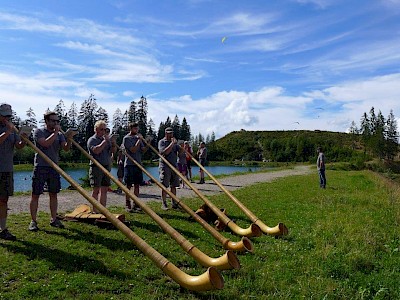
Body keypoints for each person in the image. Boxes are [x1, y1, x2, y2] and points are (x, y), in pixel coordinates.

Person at [29, 111, 73, 231]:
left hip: (54, 167)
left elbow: (66, 148)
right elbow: (45, 143)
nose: (56, 123)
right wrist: (56, 133)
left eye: (57, 121)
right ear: (46, 121)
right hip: (41, 166)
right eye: (53, 120)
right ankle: (33, 221)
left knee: (53, 194)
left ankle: (54, 219)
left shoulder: (59, 134)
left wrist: (69, 139)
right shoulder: (39, 131)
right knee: (35, 195)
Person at [0, 103, 26, 240]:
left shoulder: (12, 129)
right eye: (4, 116)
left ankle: (3, 229)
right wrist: (8, 131)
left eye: (9, 116)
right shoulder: (9, 130)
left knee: (4, 200)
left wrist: (24, 139)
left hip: (6, 169)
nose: (6, 118)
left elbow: (19, 146)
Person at [87, 120, 116, 213]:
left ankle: (103, 209)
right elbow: (96, 151)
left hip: (106, 166)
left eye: (105, 129)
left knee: (104, 189)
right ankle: (95, 210)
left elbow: (112, 152)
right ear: (96, 130)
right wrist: (105, 141)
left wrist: (113, 144)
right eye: (101, 129)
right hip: (96, 167)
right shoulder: (92, 140)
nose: (104, 131)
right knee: (96, 190)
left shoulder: (106, 140)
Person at [122, 122, 148, 212]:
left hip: (138, 163)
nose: (136, 130)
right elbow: (133, 150)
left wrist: (147, 143)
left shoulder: (138, 138)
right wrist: (139, 141)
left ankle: (136, 203)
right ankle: (127, 203)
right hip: (129, 164)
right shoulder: (126, 138)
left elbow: (143, 150)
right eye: (135, 129)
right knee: (128, 185)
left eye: (137, 129)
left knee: (137, 185)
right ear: (131, 129)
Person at [158, 127, 181, 210]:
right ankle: (164, 203)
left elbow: (181, 153)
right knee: (164, 186)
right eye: (168, 133)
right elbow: (165, 152)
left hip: (174, 166)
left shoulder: (174, 143)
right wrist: (172, 144)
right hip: (165, 166)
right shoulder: (162, 142)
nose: (170, 134)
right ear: (165, 133)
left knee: (174, 185)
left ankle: (174, 203)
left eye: (171, 133)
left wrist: (181, 147)